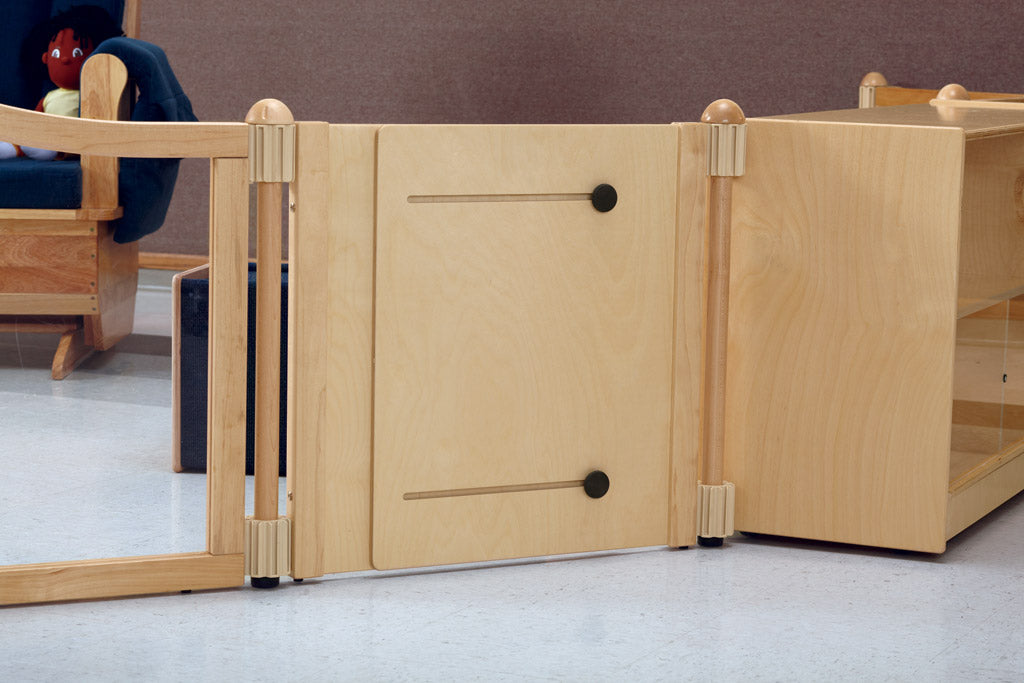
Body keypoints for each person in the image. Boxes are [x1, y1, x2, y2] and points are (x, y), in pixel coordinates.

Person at [0, 5, 122, 160]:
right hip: (42, 135)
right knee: (28, 134)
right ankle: (15, 148)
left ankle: (49, 149)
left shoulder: (90, 95)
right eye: (56, 53)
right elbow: (35, 120)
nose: (64, 59)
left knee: (49, 144)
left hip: (70, 142)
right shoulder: (50, 97)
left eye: (77, 53)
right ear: (46, 58)